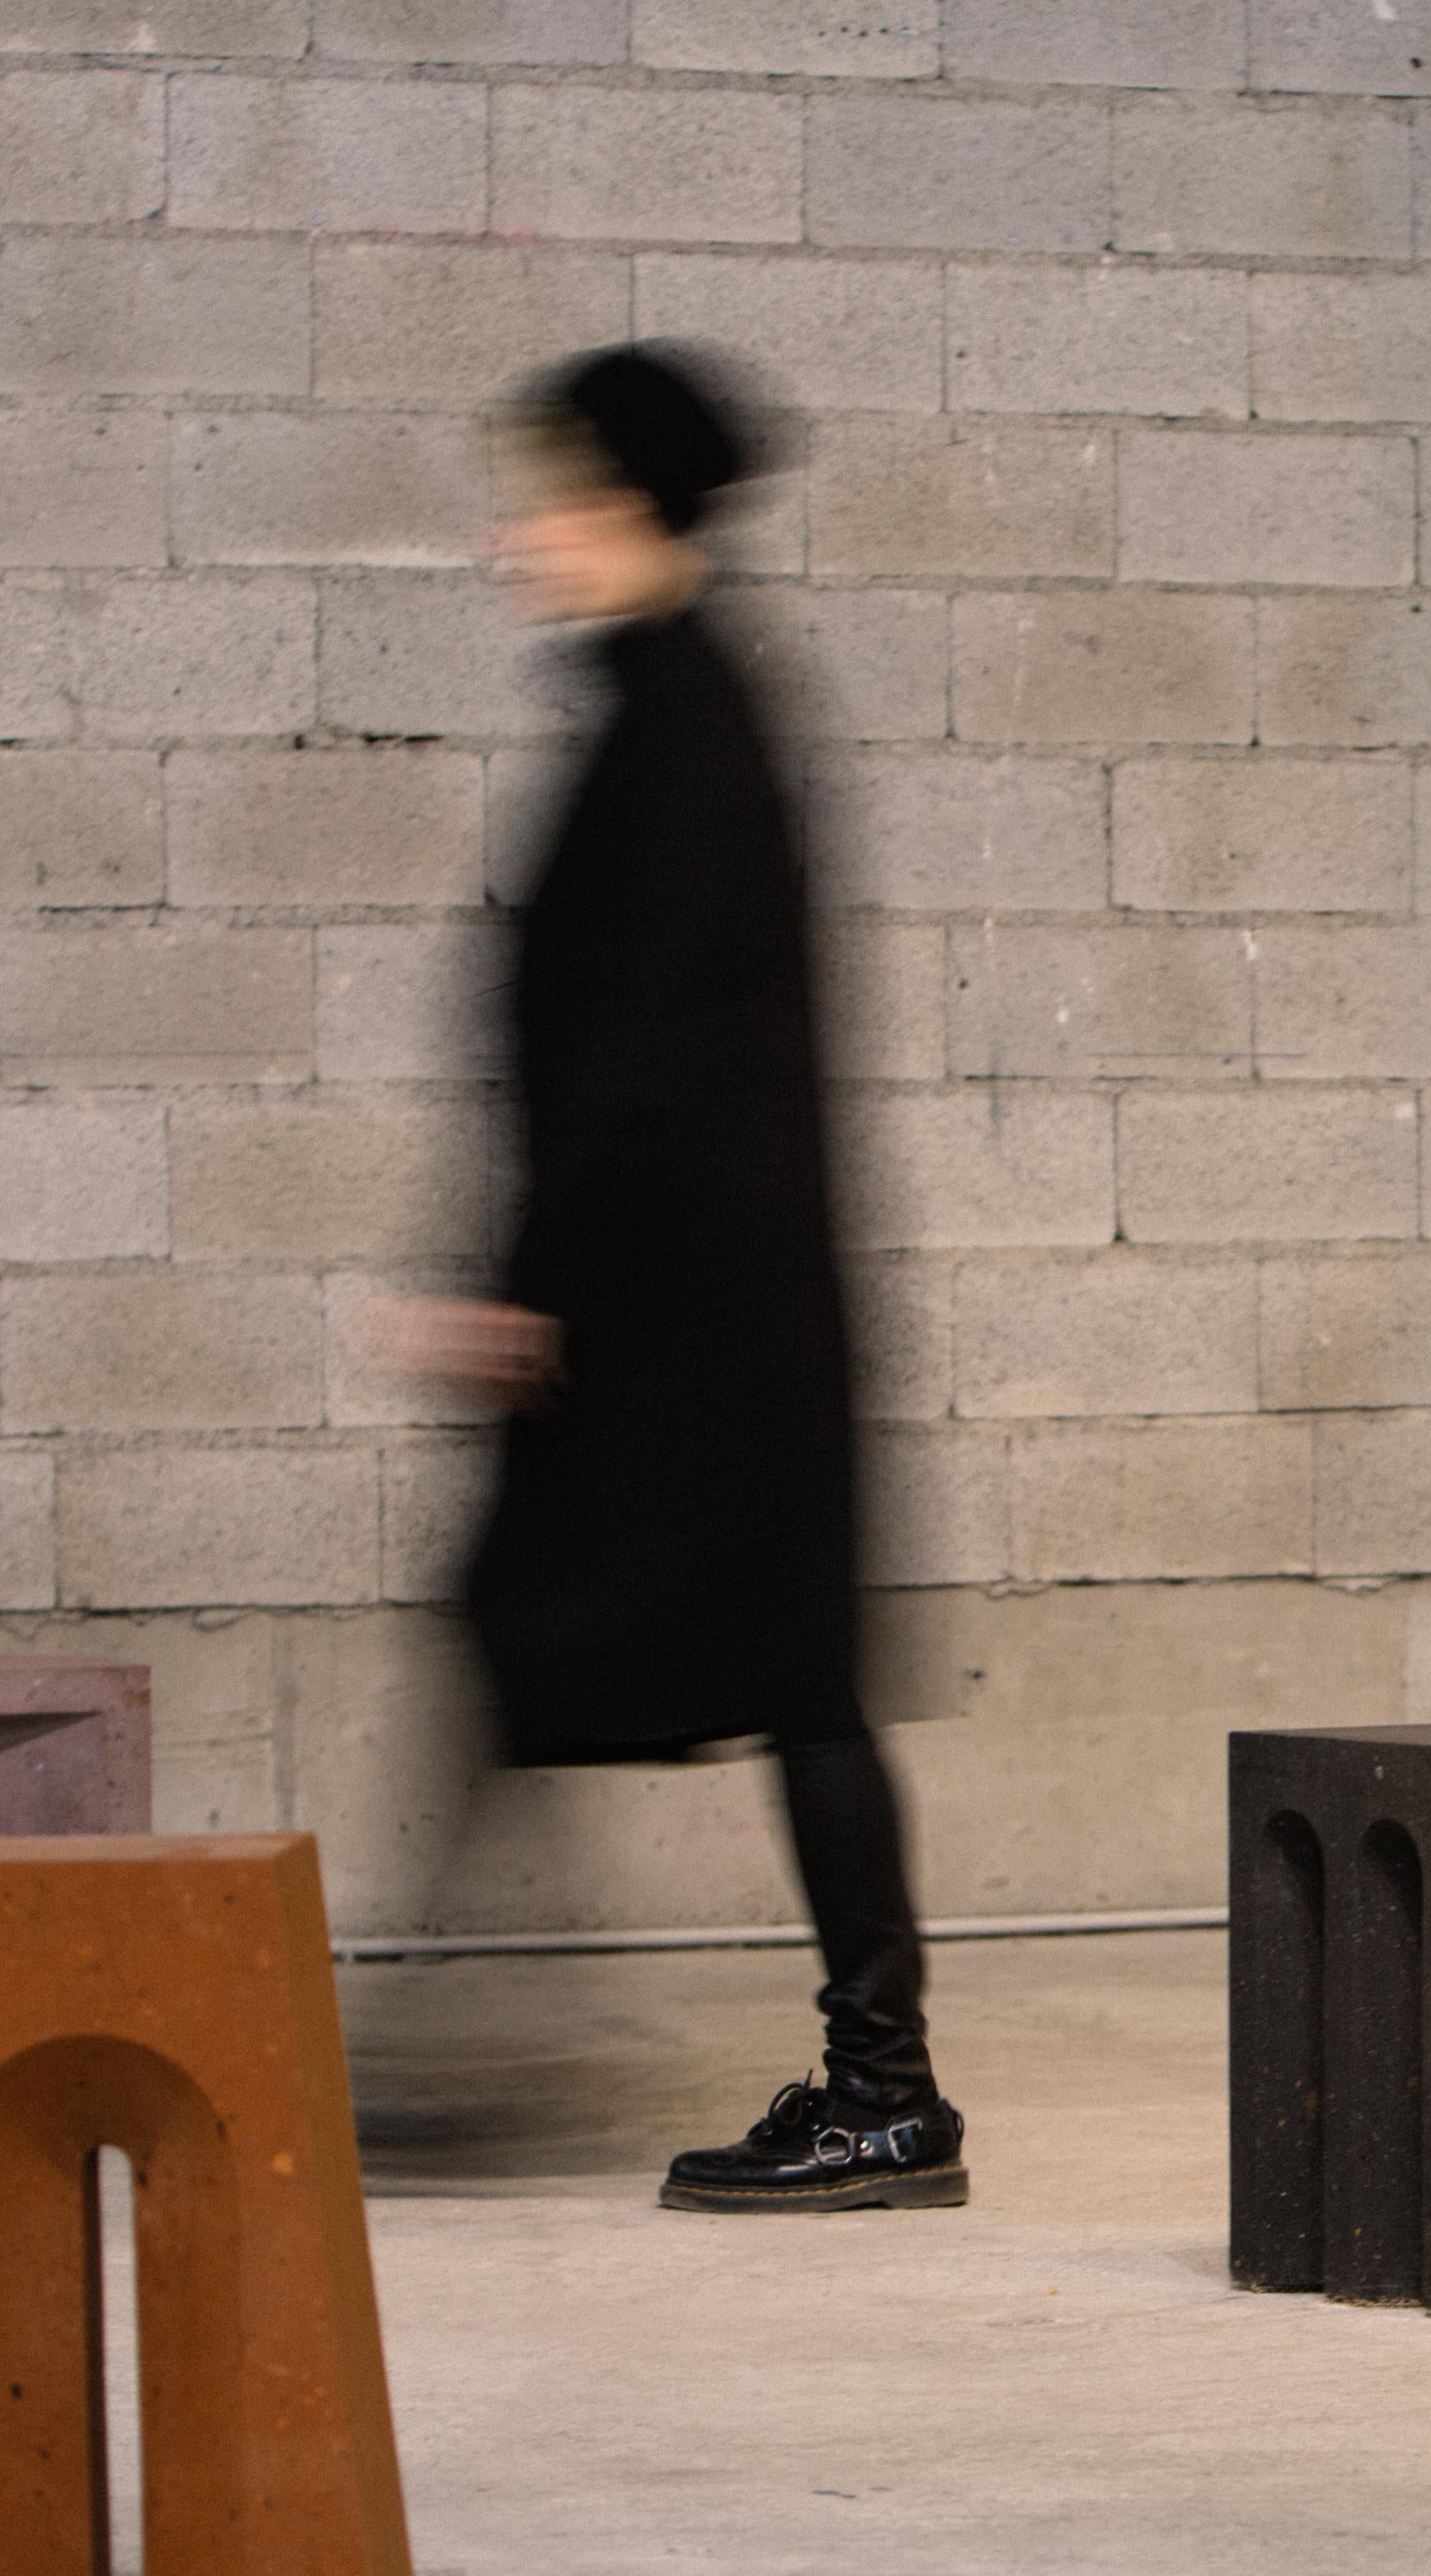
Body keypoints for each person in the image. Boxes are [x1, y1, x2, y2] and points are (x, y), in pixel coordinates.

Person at [379, 344, 962, 2219]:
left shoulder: (683, 726)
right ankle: (482, 2049)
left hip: (686, 1319)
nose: (514, 539)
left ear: (627, 511)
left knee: (728, 1666)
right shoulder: (676, 708)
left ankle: (868, 2092)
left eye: (545, 500)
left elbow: (635, 1052)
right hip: (698, 1307)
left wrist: (522, 1284)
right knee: (717, 1668)